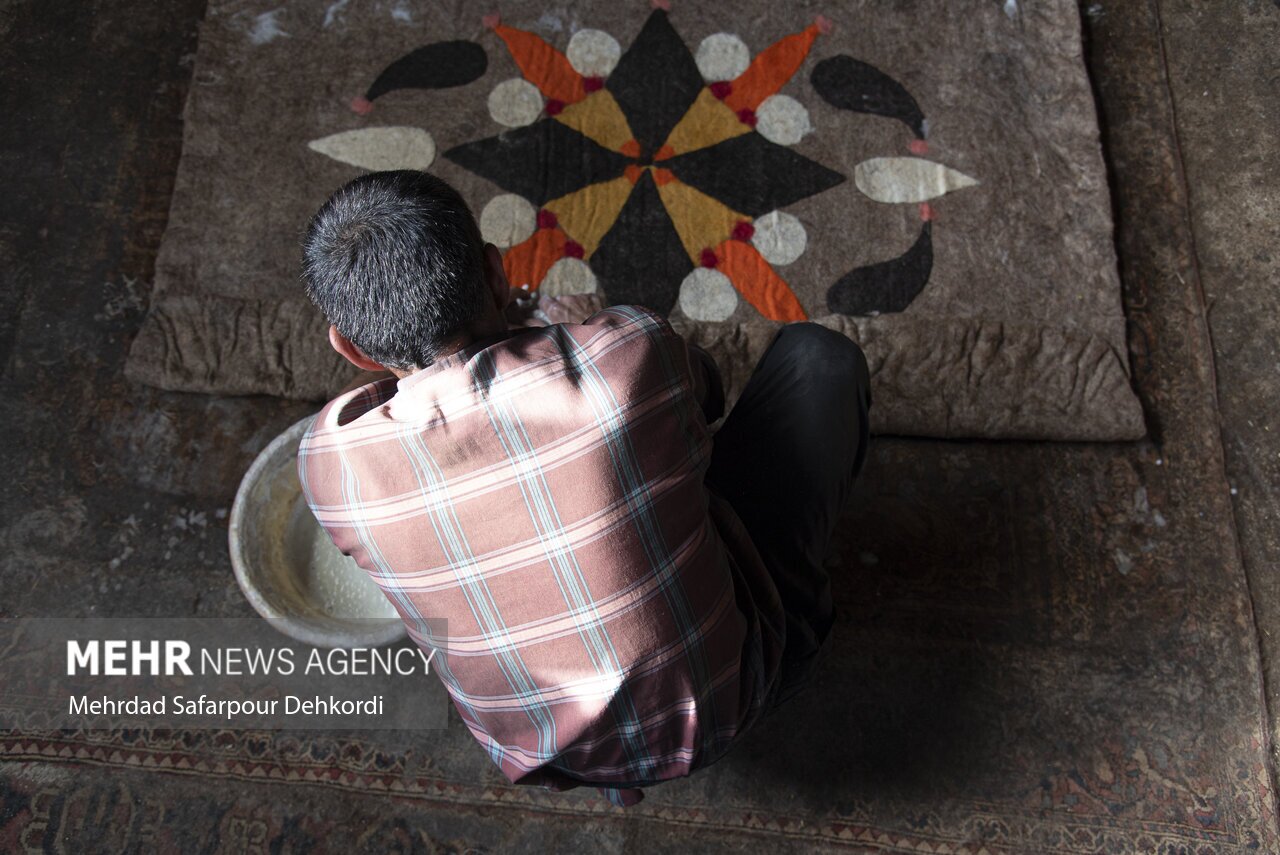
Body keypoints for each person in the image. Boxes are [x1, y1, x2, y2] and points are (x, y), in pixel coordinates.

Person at [297, 170, 872, 807]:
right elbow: (707, 394)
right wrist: (570, 336)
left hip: (549, 755)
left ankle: (617, 771)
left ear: (349, 349)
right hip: (733, 695)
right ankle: (793, 628)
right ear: (494, 270)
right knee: (818, 360)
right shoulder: (624, 352)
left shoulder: (330, 466)